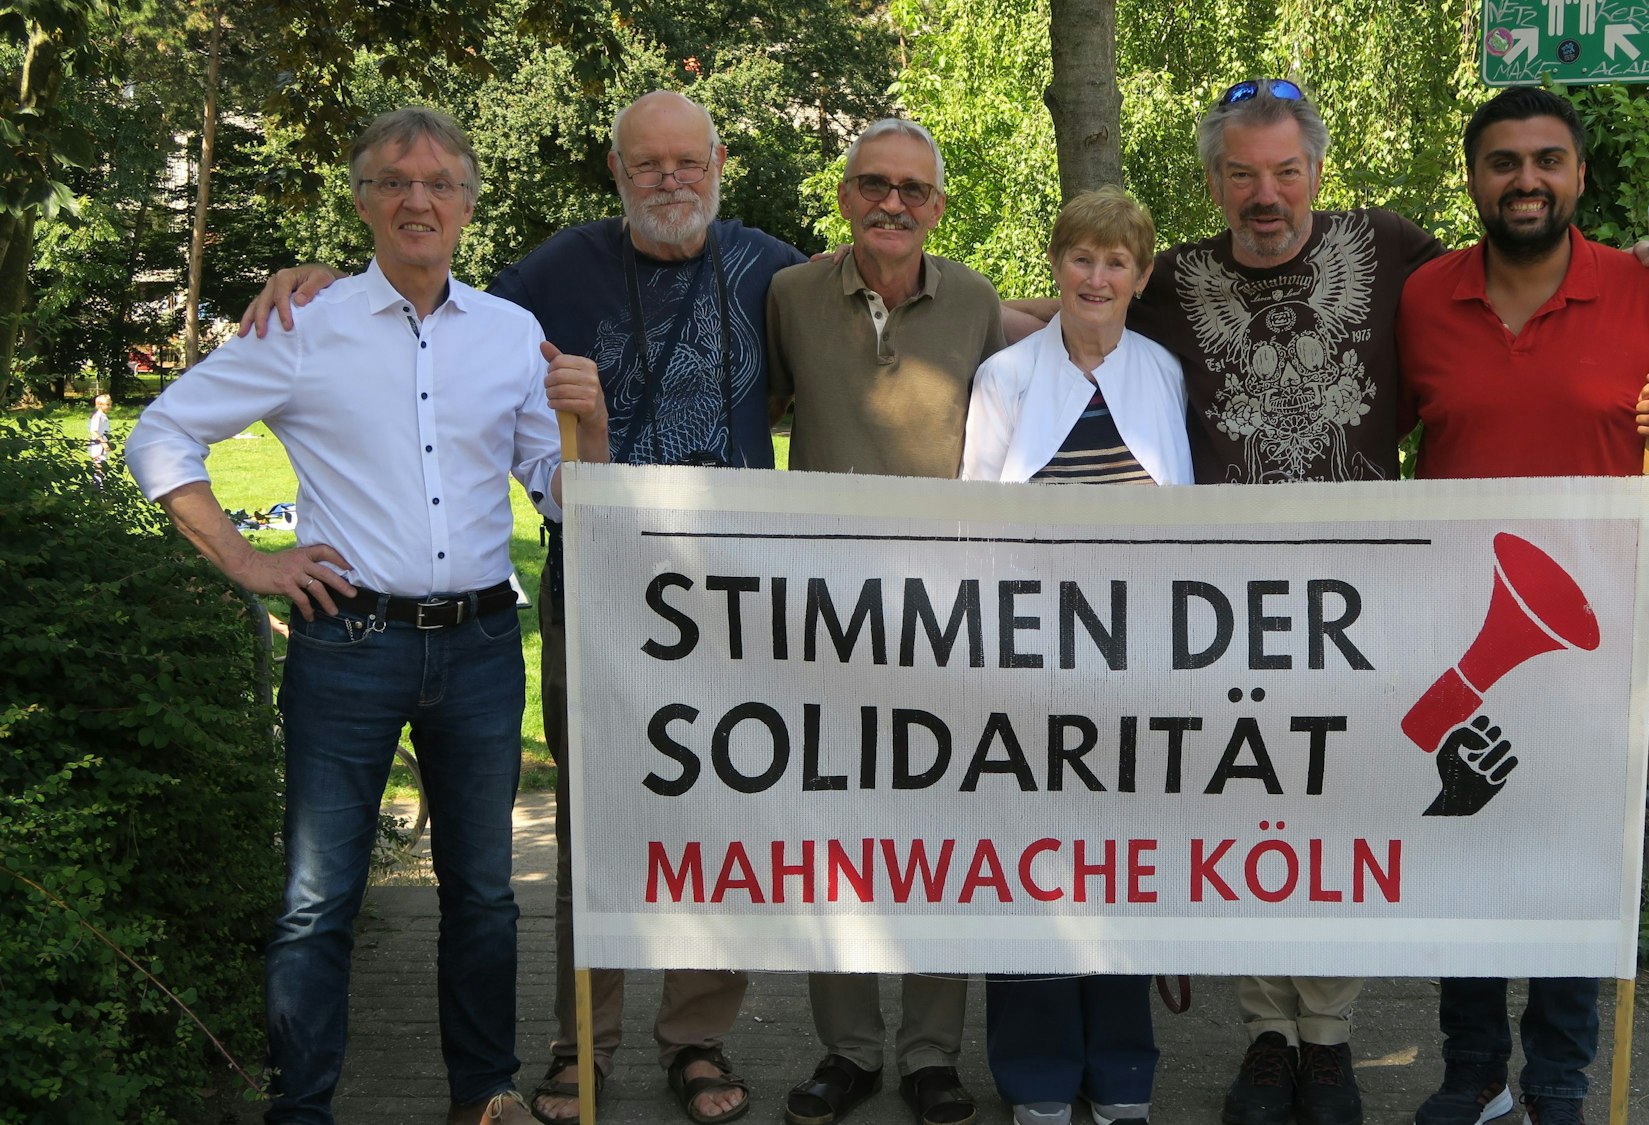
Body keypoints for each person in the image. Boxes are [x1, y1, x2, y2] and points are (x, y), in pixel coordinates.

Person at [1002, 78, 1649, 1125]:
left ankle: (1326, 1040)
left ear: (1316, 174)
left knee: (1340, 817)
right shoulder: (1170, 278)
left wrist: (1648, 271)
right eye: (1241, 174)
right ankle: (1265, 1037)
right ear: (1213, 183)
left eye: (1285, 171)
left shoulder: (1390, 252)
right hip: (1224, 609)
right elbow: (1071, 305)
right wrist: (948, 303)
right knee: (1248, 815)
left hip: (1367, 601)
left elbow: (1517, 260)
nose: (1264, 193)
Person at [239, 90, 804, 1125]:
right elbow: (423, 302)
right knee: (597, 818)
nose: (670, 180)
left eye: (688, 162)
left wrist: (1075, 313)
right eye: (647, 165)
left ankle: (698, 1038)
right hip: (595, 591)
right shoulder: (550, 274)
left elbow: (899, 303)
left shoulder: (774, 271)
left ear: (719, 162)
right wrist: (319, 284)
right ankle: (577, 1046)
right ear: (615, 170)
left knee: (720, 811)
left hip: (734, 596)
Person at [125, 106, 609, 1125]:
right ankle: (300, 1109)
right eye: (395, 181)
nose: (418, 199)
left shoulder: (510, 334)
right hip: (347, 643)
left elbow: (563, 498)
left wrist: (592, 429)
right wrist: (248, 559)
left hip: (480, 647)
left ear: (469, 205)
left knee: (482, 896)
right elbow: (161, 436)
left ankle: (484, 1094)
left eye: (440, 182)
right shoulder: (303, 326)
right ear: (363, 201)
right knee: (316, 901)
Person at [1395, 86, 1649, 1125]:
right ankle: (1470, 1072)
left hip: (1594, 635)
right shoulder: (1421, 298)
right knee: (1467, 840)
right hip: (1455, 616)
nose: (1525, 180)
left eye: (1546, 161)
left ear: (1578, 177)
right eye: (1503, 162)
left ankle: (1554, 1084)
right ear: (1473, 179)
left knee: (1571, 862)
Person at [764, 117, 1007, 1125]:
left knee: (941, 837)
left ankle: (931, 1054)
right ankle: (850, 1050)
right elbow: (756, 408)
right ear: (843, 196)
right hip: (821, 618)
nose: (891, 203)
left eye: (912, 188)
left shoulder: (979, 303)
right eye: (872, 184)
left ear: (938, 207)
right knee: (834, 836)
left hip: (947, 621)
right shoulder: (785, 297)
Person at [959, 187, 1185, 1125]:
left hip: (1138, 670)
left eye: (1117, 262)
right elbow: (972, 528)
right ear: (1057, 265)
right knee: (1032, 876)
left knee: (1125, 872)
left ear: (1139, 275)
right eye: (1081, 258)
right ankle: (1039, 1077)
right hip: (1029, 670)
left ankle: (1122, 1070)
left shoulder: (1163, 372)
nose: (1097, 277)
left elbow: (1191, 528)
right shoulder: (1006, 377)